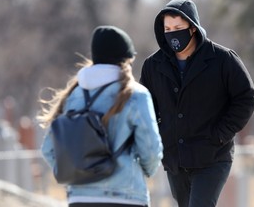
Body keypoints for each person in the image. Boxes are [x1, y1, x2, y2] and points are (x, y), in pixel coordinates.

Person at [140, 0, 254, 207]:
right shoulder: (153, 66)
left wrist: (220, 134)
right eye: (167, 29)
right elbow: (146, 107)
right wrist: (161, 135)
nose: (172, 34)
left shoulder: (222, 59)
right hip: (175, 159)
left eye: (178, 28)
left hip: (213, 156)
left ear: (192, 28)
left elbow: (245, 97)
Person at [38, 25, 163, 207]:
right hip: (125, 196)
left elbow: (48, 149)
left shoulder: (73, 95)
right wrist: (139, 172)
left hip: (79, 198)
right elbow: (151, 150)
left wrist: (76, 173)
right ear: (127, 58)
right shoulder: (135, 94)